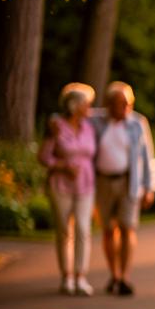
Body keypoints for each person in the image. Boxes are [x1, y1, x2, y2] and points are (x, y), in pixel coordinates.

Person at [93, 81, 155, 296]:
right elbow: (70, 116)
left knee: (128, 227)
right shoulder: (96, 121)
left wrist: (149, 187)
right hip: (102, 182)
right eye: (121, 104)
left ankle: (125, 277)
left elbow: (147, 158)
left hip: (129, 182)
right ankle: (115, 274)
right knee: (109, 229)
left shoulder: (137, 123)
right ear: (109, 104)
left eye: (129, 103)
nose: (126, 108)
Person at [38, 83, 98, 296]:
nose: (89, 108)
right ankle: (67, 277)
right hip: (61, 185)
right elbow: (43, 157)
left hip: (86, 185)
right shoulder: (56, 127)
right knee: (65, 231)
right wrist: (63, 166)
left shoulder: (89, 127)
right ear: (75, 105)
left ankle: (81, 276)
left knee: (83, 229)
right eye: (86, 104)